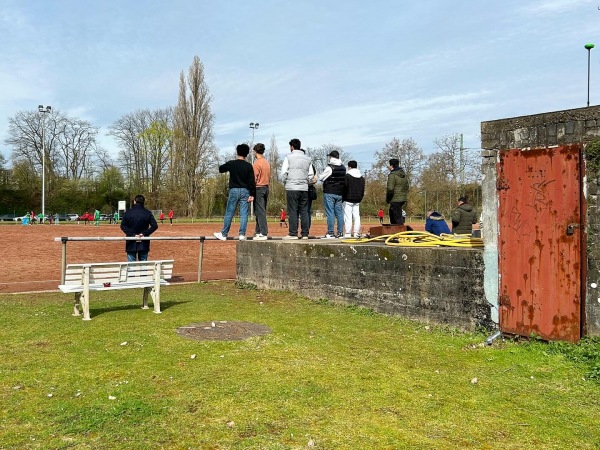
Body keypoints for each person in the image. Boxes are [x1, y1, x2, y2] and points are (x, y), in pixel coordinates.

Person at [213, 143, 256, 241]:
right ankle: (242, 234)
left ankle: (224, 234)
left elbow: (220, 169)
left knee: (229, 212)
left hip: (234, 190)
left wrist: (227, 164)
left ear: (237, 152)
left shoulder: (232, 163)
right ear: (247, 154)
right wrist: (252, 194)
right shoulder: (249, 166)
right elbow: (251, 181)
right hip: (245, 191)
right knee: (244, 213)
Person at [281, 138, 314, 239]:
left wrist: (287, 181)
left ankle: (293, 233)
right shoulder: (308, 159)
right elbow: (311, 174)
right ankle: (305, 234)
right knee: (304, 211)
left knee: (293, 211)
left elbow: (283, 172)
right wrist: (305, 181)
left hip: (292, 187)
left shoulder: (288, 157)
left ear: (292, 147)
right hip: (304, 188)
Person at [120, 194, 159, 261]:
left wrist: (132, 234)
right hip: (144, 242)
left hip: (131, 242)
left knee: (131, 266)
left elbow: (123, 226)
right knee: (143, 266)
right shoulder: (147, 213)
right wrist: (144, 233)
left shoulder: (128, 213)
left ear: (135, 201)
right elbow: (154, 226)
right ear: (143, 202)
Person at [319, 150, 346, 238]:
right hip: (340, 193)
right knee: (339, 213)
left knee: (330, 213)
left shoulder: (330, 167)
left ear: (332, 157)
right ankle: (340, 232)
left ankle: (330, 232)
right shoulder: (343, 168)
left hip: (329, 192)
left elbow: (322, 178)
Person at [342, 160, 365, 238]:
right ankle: (356, 232)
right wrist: (360, 197)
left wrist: (343, 197)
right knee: (357, 216)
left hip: (348, 199)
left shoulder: (347, 176)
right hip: (358, 199)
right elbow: (362, 189)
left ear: (349, 167)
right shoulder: (361, 178)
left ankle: (348, 233)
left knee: (348, 216)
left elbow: (344, 188)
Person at [252, 143, 270, 240]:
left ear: (255, 151)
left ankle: (263, 232)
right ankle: (258, 231)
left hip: (258, 188)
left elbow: (254, 178)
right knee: (260, 211)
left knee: (260, 211)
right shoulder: (266, 162)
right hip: (266, 187)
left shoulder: (256, 163)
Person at [386, 158, 409, 225]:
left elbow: (390, 189)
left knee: (396, 216)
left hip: (395, 199)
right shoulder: (403, 175)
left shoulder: (392, 175)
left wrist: (388, 199)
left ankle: (398, 231)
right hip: (403, 198)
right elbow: (407, 186)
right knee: (396, 213)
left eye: (389, 165)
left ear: (391, 166)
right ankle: (397, 229)